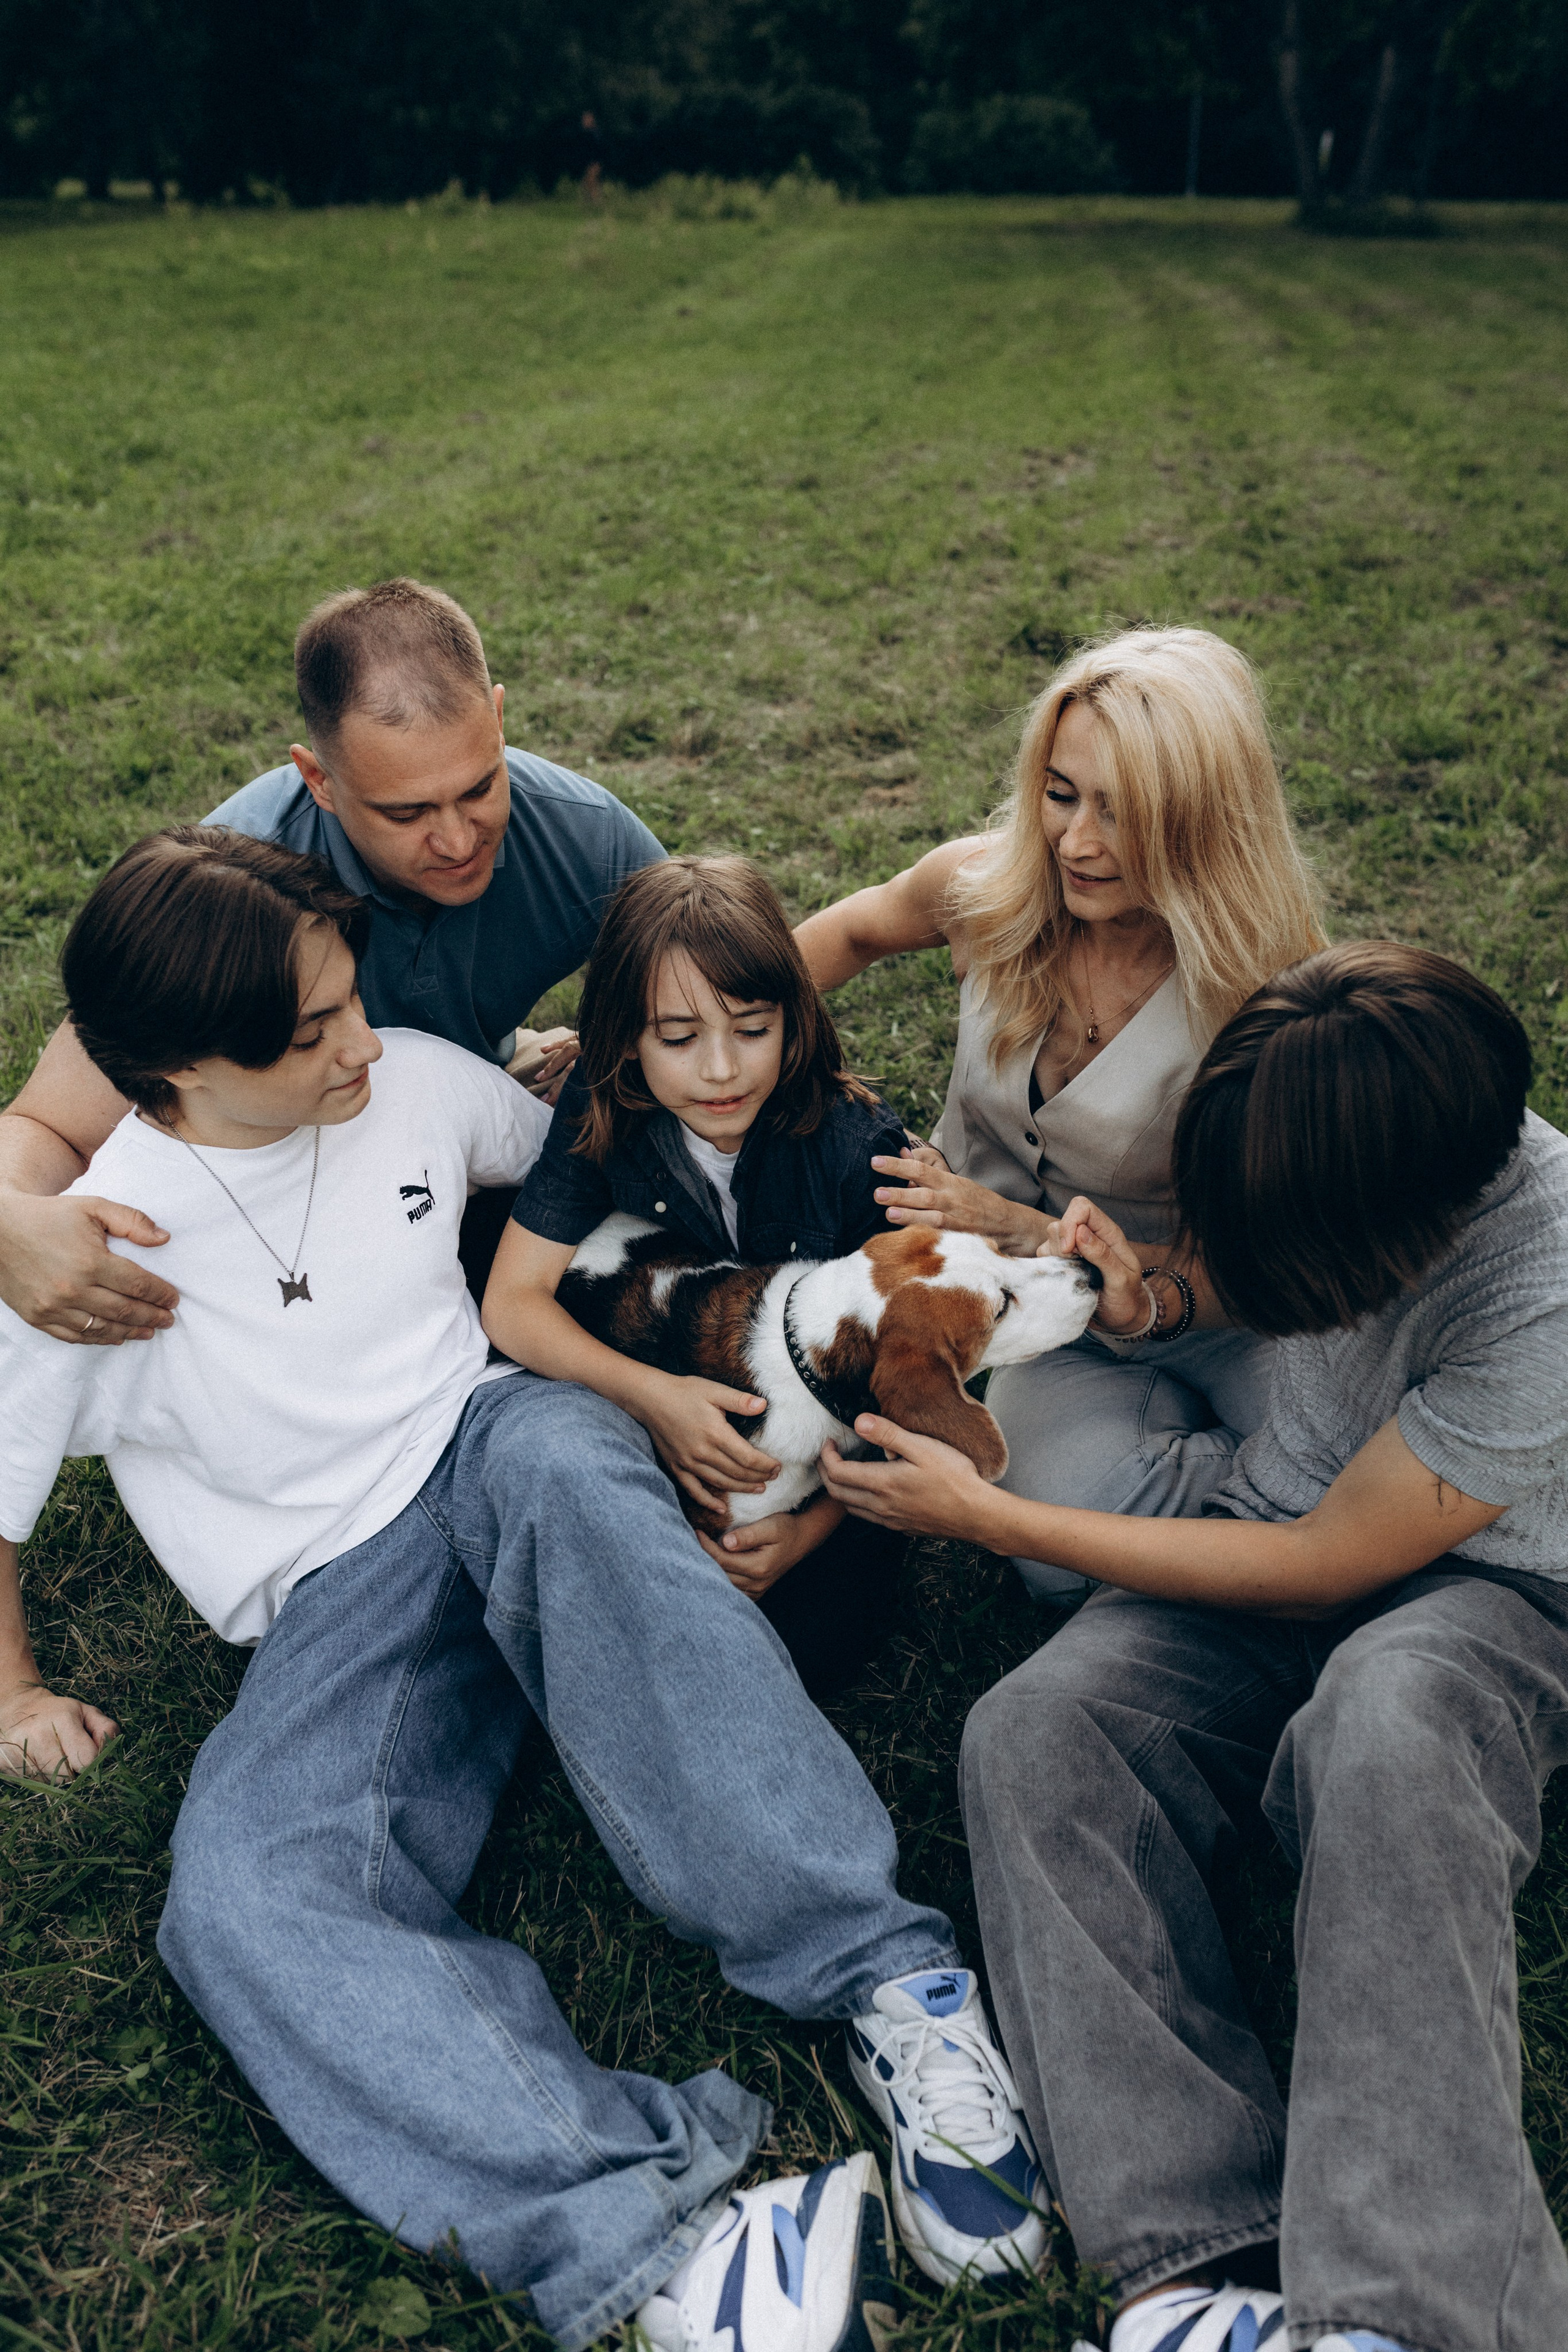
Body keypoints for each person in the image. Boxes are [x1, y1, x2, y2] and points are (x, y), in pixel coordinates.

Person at [0, 826, 1052, 2326]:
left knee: (560, 1459)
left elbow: (598, 1143)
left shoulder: (417, 1082)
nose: (367, 1040)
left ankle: (893, 1983)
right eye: (315, 1034)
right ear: (177, 1065)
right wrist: (14, 1687)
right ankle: (671, 2236)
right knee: (235, 1896)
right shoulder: (88, 1256)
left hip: (506, 1436)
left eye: (353, 998)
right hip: (340, 1593)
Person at [818, 941, 1568, 2352]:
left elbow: (1318, 1570)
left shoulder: (1545, 1280)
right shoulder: (1313, 1114)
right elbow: (1233, 1284)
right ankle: (1190, 2274)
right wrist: (1150, 1297)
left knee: (1387, 1712)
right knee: (1034, 1730)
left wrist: (993, 1516)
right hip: (1281, 1507)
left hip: (1487, 1596)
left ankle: (1409, 2311)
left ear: (1382, 1233)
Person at [796, 626, 1324, 1601]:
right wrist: (708, 1017)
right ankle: (1249, 1521)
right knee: (1047, 1556)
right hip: (1039, 1316)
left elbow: (1259, 1263)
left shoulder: (1266, 994)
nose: (1077, 842)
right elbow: (853, 930)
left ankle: (1282, 1530)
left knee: (1358, 1467)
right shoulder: (988, 892)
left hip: (1218, 1301)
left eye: (1124, 815)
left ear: (1202, 818)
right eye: (1062, 793)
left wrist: (1037, 1235)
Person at [0, 576, 663, 1347]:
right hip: (278, 1197)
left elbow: (735, 987)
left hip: (457, 1143)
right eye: (405, 813)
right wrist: (10, 1220)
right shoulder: (235, 885)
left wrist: (619, 1048)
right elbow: (51, 1120)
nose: (457, 840)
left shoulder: (584, 834)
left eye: (480, 787)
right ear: (319, 780)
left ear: (499, 719)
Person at [484, 854, 919, 1695]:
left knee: (816, 1650)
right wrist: (655, 1403)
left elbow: (902, 1391)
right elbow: (511, 1300)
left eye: (752, 1030)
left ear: (795, 1019)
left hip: (829, 1465)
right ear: (624, 1038)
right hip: (663, 1408)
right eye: (679, 1039)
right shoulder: (602, 1101)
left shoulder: (859, 1149)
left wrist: (809, 1533)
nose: (721, 1071)